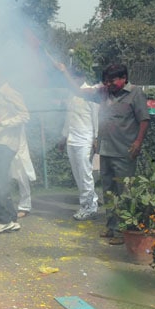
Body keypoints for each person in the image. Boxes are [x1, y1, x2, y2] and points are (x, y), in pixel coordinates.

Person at [94, 64, 150, 245]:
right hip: (106, 150)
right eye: (106, 81)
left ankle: (123, 231)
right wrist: (97, 138)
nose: (108, 84)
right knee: (108, 191)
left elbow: (144, 120)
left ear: (124, 78)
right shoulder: (105, 93)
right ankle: (111, 228)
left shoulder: (135, 93)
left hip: (124, 151)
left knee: (124, 192)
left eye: (111, 80)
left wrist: (137, 143)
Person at [0, 74, 30, 234]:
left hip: (6, 143)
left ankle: (2, 220)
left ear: (0, 77)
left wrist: (2, 123)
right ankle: (11, 218)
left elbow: (24, 115)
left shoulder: (10, 92)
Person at [59, 80, 100, 221]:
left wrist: (96, 138)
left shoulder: (90, 93)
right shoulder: (71, 94)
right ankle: (89, 203)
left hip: (85, 141)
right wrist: (63, 138)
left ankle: (89, 207)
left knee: (85, 175)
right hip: (72, 140)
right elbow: (68, 119)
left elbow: (96, 118)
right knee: (78, 175)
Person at [10, 124, 36, 218]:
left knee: (22, 179)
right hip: (1, 150)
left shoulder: (17, 117)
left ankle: (24, 207)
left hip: (18, 152)